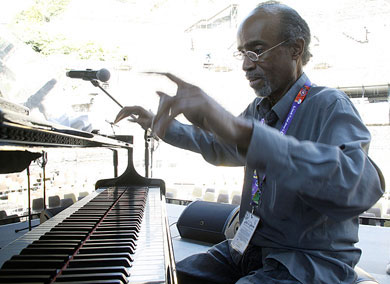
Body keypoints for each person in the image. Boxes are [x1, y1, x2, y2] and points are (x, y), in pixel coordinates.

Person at [115, 1, 385, 283]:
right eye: (243, 53)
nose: (246, 65)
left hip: (306, 261)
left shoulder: (330, 104)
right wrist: (164, 127)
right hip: (245, 250)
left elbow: (356, 186)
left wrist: (240, 130)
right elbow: (221, 146)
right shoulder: (259, 109)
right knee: (164, 277)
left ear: (296, 48)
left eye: (257, 50)